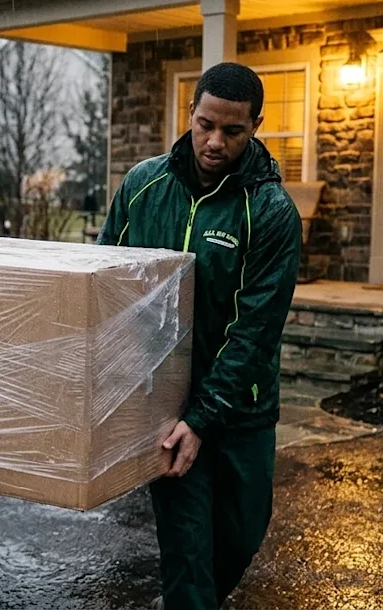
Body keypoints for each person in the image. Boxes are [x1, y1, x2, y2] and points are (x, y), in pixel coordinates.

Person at [96, 62, 301, 610]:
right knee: (187, 555)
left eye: (232, 131)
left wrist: (204, 418)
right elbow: (105, 285)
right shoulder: (144, 186)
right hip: (163, 406)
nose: (214, 141)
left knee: (239, 538)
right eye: (205, 124)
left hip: (241, 411)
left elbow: (255, 331)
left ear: (256, 125)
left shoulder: (270, 211)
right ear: (189, 113)